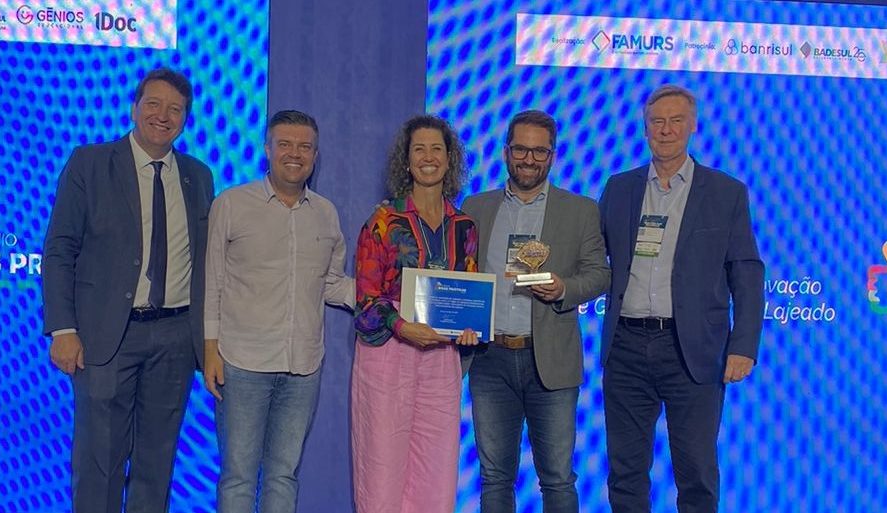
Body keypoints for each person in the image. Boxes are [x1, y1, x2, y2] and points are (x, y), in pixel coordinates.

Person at [42, 67, 214, 513]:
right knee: (99, 464)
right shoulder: (90, 163)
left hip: (175, 339)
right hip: (104, 337)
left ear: (186, 120)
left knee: (156, 466)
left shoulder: (199, 176)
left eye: (175, 109)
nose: (163, 116)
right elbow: (59, 249)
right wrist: (63, 329)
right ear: (134, 108)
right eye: (153, 104)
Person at [597, 85, 765, 513]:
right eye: (657, 121)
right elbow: (592, 257)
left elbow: (746, 271)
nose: (666, 130)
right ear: (645, 129)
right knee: (625, 473)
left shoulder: (726, 192)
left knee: (696, 472)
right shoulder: (619, 188)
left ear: (693, 126)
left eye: (676, 121)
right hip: (626, 348)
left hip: (693, 350)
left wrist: (744, 345)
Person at [203, 110, 354, 513]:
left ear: (316, 155)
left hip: (303, 367)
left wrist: (389, 297)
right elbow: (212, 281)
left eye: (305, 146)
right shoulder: (231, 204)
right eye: (284, 144)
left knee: (284, 475)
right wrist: (210, 350)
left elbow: (331, 283)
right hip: (241, 364)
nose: (295, 154)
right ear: (267, 149)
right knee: (238, 476)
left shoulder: (326, 212)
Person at [461, 110, 611, 513]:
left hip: (551, 360)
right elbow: (460, 274)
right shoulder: (476, 207)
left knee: (558, 479)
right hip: (489, 359)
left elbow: (600, 274)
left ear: (553, 155)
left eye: (539, 151)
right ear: (505, 152)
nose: (529, 159)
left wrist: (564, 289)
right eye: (521, 150)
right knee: (495, 478)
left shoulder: (580, 210)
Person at [351, 114, 481, 513]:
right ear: (406, 161)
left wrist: (470, 329)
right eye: (419, 149)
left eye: (437, 149)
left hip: (441, 356)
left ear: (449, 159)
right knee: (381, 468)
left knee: (436, 470)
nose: (428, 157)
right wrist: (403, 327)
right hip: (388, 353)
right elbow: (365, 301)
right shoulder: (383, 221)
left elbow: (469, 294)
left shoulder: (465, 226)